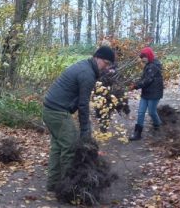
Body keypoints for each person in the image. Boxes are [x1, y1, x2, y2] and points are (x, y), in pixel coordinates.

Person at [42, 46, 116, 192]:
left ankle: (53, 184)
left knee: (58, 147)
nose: (106, 68)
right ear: (97, 58)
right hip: (57, 112)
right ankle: (69, 187)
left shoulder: (86, 68)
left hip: (50, 109)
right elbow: (83, 105)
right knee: (70, 147)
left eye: (109, 65)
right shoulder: (87, 74)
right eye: (106, 63)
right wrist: (85, 132)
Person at [128, 47, 164, 141]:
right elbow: (143, 78)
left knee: (152, 112)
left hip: (154, 93)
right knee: (140, 112)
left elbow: (147, 80)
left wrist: (135, 86)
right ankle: (138, 133)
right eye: (141, 57)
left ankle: (159, 127)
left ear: (149, 56)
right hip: (146, 92)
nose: (142, 59)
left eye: (144, 57)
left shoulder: (154, 66)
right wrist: (135, 83)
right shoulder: (148, 65)